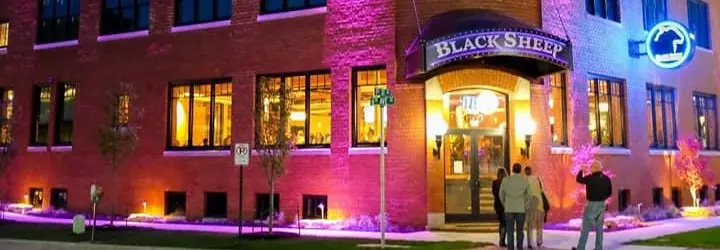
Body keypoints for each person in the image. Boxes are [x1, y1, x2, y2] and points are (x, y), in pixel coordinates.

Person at [572, 161, 613, 250]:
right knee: (599, 228)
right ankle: (598, 247)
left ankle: (581, 247)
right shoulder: (606, 179)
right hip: (602, 205)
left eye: (591, 168)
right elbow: (609, 193)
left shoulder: (590, 178)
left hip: (591, 205)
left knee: (586, 227)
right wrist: (602, 198)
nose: (590, 169)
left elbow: (579, 179)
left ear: (594, 169)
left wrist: (581, 170)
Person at [500, 163, 531, 250]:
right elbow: (529, 195)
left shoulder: (505, 180)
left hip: (509, 208)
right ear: (520, 170)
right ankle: (519, 247)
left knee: (510, 231)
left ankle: (510, 248)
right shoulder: (525, 181)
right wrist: (525, 204)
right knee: (520, 230)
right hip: (520, 209)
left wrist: (505, 204)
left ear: (512, 170)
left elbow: (500, 194)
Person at [524, 166, 545, 249]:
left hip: (530, 205)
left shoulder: (524, 180)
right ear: (531, 171)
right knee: (539, 224)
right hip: (539, 203)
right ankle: (539, 241)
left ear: (525, 172)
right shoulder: (537, 178)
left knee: (530, 225)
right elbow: (542, 190)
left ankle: (530, 243)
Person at [492, 168, 508, 247]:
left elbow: (494, 193)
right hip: (505, 204)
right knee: (504, 223)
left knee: (502, 223)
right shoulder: (507, 183)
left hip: (497, 205)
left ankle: (501, 240)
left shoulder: (495, 182)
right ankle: (502, 241)